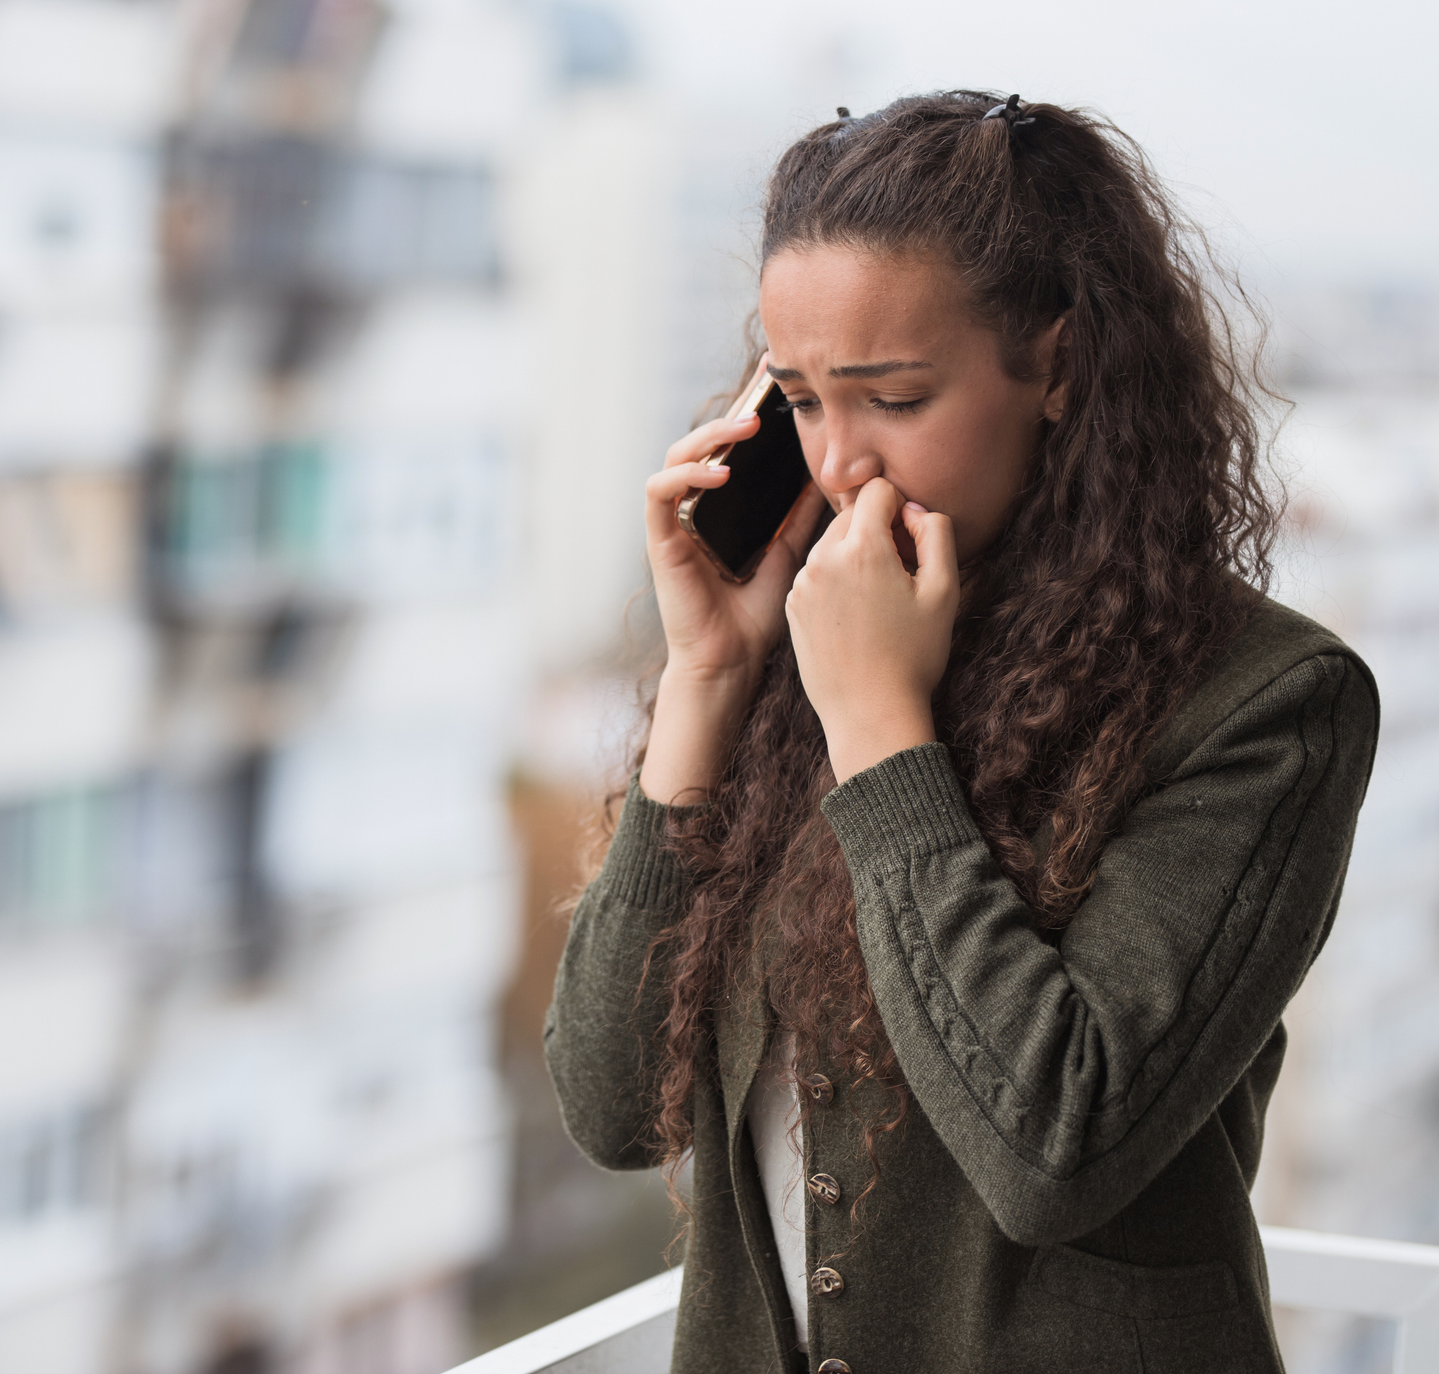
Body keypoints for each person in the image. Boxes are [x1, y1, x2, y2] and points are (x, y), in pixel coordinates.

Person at [543, 91, 1379, 1373]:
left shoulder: (1267, 701)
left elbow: (1056, 1149)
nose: (834, 465)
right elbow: (609, 1102)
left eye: (891, 396)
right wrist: (709, 678)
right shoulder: (788, 646)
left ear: (1055, 367)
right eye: (804, 400)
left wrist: (882, 735)